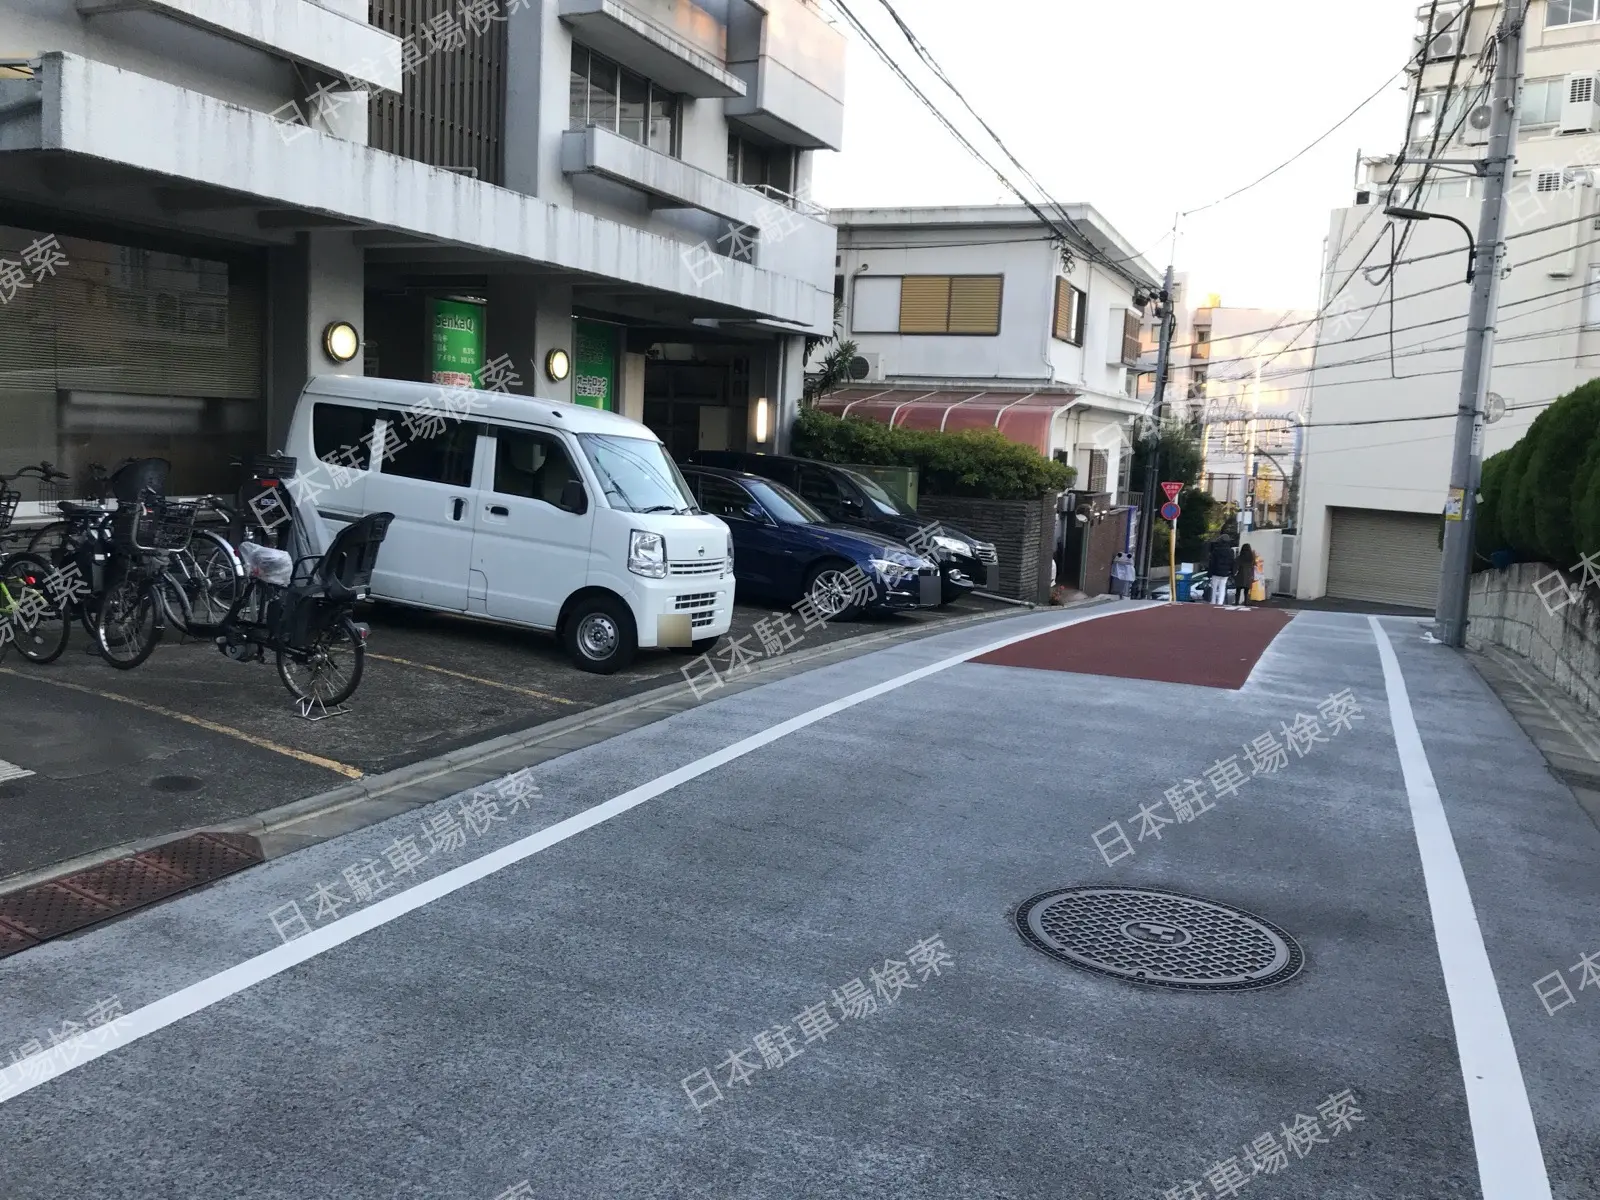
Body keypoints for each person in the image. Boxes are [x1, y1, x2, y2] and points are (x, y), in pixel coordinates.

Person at [1206, 534, 1236, 606]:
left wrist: (1209, 573)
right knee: (1222, 587)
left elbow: (1212, 563)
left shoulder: (1216, 551)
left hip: (1216, 572)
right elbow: (1232, 562)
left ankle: (1213, 601)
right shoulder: (1231, 551)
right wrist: (1232, 572)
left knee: (1214, 587)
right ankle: (1220, 602)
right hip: (1225, 572)